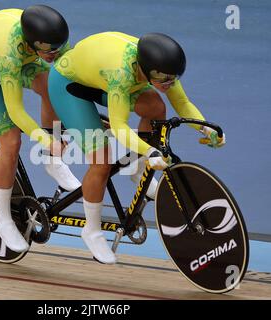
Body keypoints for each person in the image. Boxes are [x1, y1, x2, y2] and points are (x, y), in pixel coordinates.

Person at [48, 32, 225, 264]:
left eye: (173, 79)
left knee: (155, 108)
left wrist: (205, 129)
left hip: (96, 80)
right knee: (102, 162)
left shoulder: (162, 68)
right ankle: (91, 230)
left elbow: (181, 103)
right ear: (147, 69)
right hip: (68, 85)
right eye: (163, 80)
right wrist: (151, 152)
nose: (168, 84)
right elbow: (120, 126)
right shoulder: (122, 73)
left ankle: (138, 171)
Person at [0, 5, 81, 253]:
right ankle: (2, 218)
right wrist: (45, 138)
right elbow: (16, 111)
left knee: (51, 88)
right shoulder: (11, 51)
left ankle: (52, 162)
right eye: (48, 51)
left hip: (7, 54)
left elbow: (70, 79)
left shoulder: (51, 39)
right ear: (33, 44)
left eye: (57, 49)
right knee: (10, 140)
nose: (54, 54)